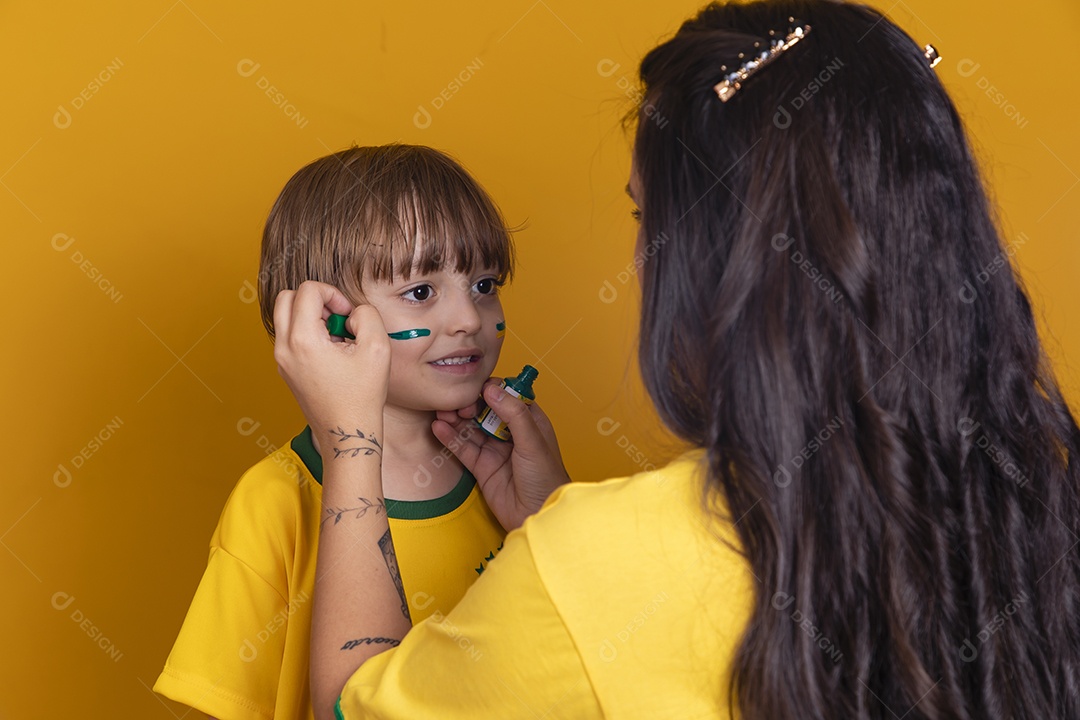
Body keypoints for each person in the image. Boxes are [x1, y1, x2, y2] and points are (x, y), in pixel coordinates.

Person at [277, 2, 1080, 718]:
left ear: (712, 256)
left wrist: (352, 443)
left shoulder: (607, 558)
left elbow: (351, 704)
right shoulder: (1037, 499)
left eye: (646, 215)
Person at [153, 144, 518, 720]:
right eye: (421, 292)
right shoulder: (275, 501)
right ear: (328, 320)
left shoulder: (510, 475)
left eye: (484, 284)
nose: (469, 319)